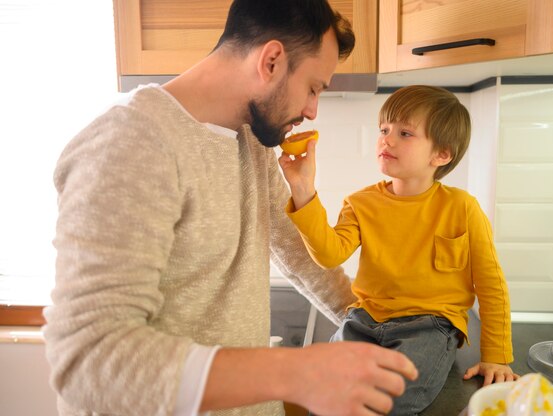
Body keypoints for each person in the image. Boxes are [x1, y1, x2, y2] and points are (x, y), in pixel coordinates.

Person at [43, 1, 418, 415]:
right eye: (313, 87)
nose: (312, 110)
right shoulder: (130, 143)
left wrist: (376, 329)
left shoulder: (251, 142)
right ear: (272, 60)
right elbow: (89, 363)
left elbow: (299, 254)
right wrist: (296, 372)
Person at [279, 85, 519, 415]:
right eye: (384, 129)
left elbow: (491, 286)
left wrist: (497, 355)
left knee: (393, 393)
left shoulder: (463, 208)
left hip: (430, 326)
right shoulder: (361, 203)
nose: (386, 140)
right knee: (326, 383)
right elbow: (330, 254)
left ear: (442, 154)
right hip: (364, 319)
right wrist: (303, 190)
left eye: (405, 133)